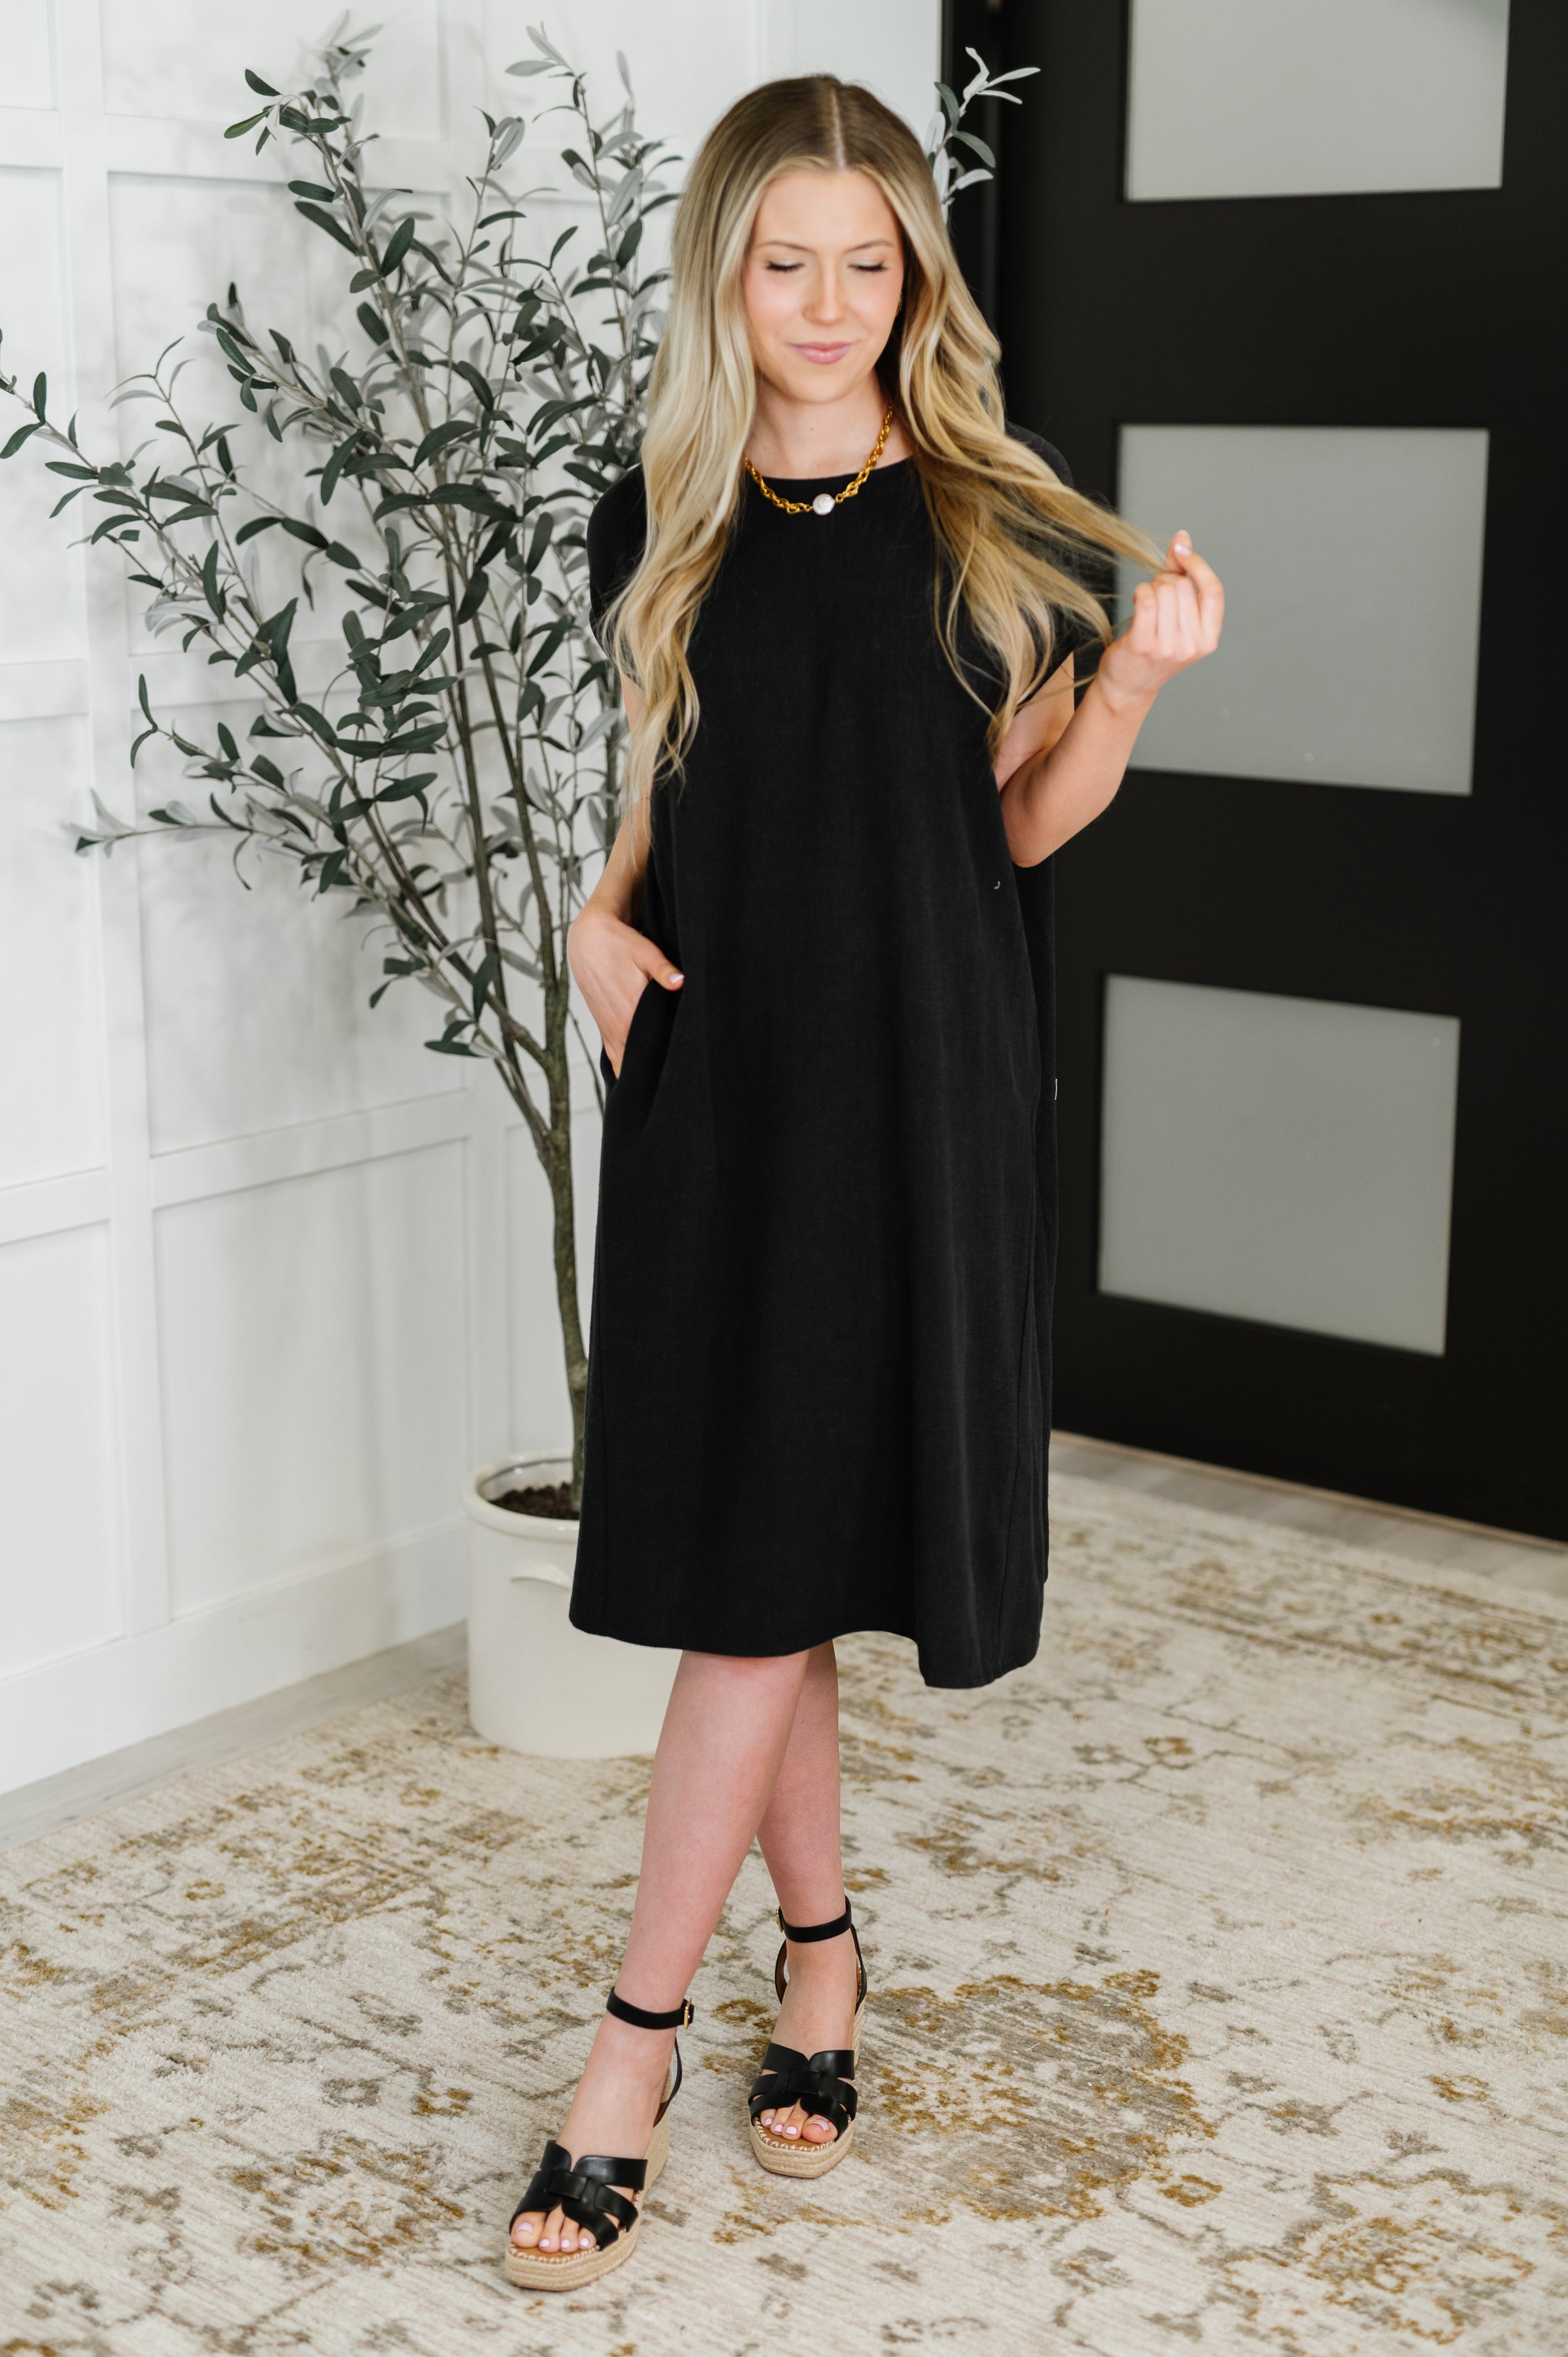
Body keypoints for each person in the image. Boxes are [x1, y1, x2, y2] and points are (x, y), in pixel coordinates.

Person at [505, 72, 1222, 2290]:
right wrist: (593, 924)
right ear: (726, 270)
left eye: (868, 261)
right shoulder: (658, 515)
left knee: (755, 1579)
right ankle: (814, 1961)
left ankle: (630, 2050)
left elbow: (1008, 824)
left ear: (916, 278)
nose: (826, 304)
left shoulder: (1000, 518)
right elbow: (673, 787)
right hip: (720, 1076)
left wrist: (1131, 693)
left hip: (913, 1081)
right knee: (764, 1549)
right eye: (782, 260)